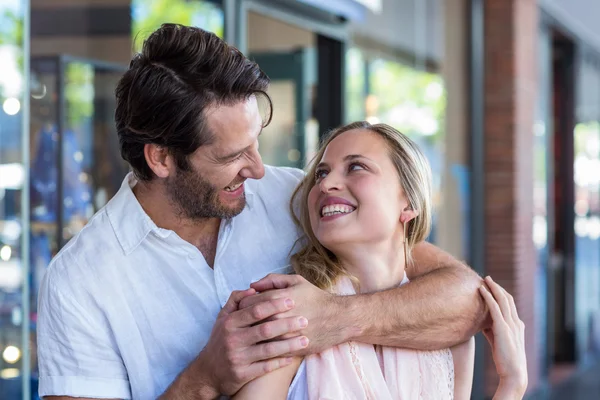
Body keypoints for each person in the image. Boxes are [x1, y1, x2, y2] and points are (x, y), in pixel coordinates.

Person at [37, 24, 488, 400]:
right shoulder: (80, 282)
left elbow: (459, 296)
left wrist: (333, 317)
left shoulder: (298, 198)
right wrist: (204, 380)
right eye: (233, 155)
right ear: (161, 159)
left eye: (257, 141)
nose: (256, 168)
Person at [232, 122, 528, 399]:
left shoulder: (449, 334)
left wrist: (512, 384)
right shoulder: (289, 317)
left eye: (356, 167)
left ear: (409, 203)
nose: (326, 184)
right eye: (321, 173)